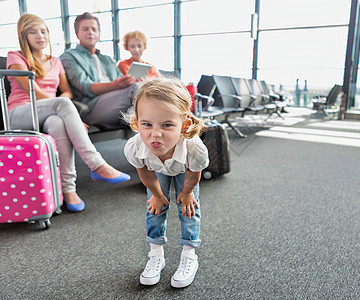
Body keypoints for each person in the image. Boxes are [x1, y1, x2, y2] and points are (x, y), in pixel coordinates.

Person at [6, 13, 130, 213]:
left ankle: (68, 190)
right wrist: (67, 109)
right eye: (33, 32)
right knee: (62, 106)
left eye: (44, 31)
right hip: (19, 112)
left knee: (58, 122)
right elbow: (33, 92)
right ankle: (97, 164)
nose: (40, 36)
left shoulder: (55, 61)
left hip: (50, 111)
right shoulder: (15, 56)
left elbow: (67, 91)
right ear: (24, 36)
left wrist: (66, 111)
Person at [123, 78, 209, 288]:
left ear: (184, 124)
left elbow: (193, 175)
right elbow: (145, 174)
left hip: (184, 171)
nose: (156, 133)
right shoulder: (134, 148)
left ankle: (189, 255)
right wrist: (157, 194)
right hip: (156, 170)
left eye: (167, 125)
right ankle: (156, 255)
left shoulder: (195, 150)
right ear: (136, 123)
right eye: (147, 124)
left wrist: (187, 193)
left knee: (188, 209)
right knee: (155, 209)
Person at [60, 12, 138, 128]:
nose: (90, 32)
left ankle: (134, 121)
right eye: (85, 29)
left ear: (99, 34)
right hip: (92, 107)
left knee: (144, 88)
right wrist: (116, 85)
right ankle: (138, 122)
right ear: (77, 34)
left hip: (117, 101)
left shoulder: (108, 60)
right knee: (138, 88)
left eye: (94, 29)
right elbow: (85, 87)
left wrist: (130, 80)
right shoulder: (69, 57)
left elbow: (121, 81)